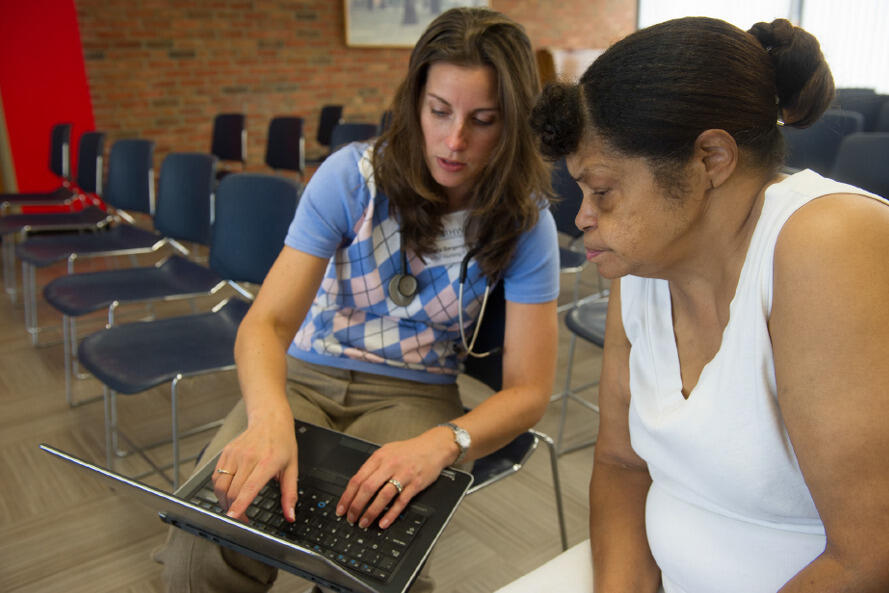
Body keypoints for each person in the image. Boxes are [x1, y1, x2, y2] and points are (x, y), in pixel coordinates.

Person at [153, 6, 559, 593]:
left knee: (371, 565)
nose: (454, 140)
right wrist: (268, 420)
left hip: (415, 393)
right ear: (416, 100)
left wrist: (444, 444)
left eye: (484, 120)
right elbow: (265, 324)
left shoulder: (525, 222)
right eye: (439, 111)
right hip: (302, 375)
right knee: (206, 547)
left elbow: (528, 391)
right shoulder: (352, 177)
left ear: (514, 121)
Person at [529, 16, 889, 593]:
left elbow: (869, 556)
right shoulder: (645, 259)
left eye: (602, 190)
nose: (582, 219)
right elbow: (621, 464)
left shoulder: (826, 241)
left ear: (711, 160)